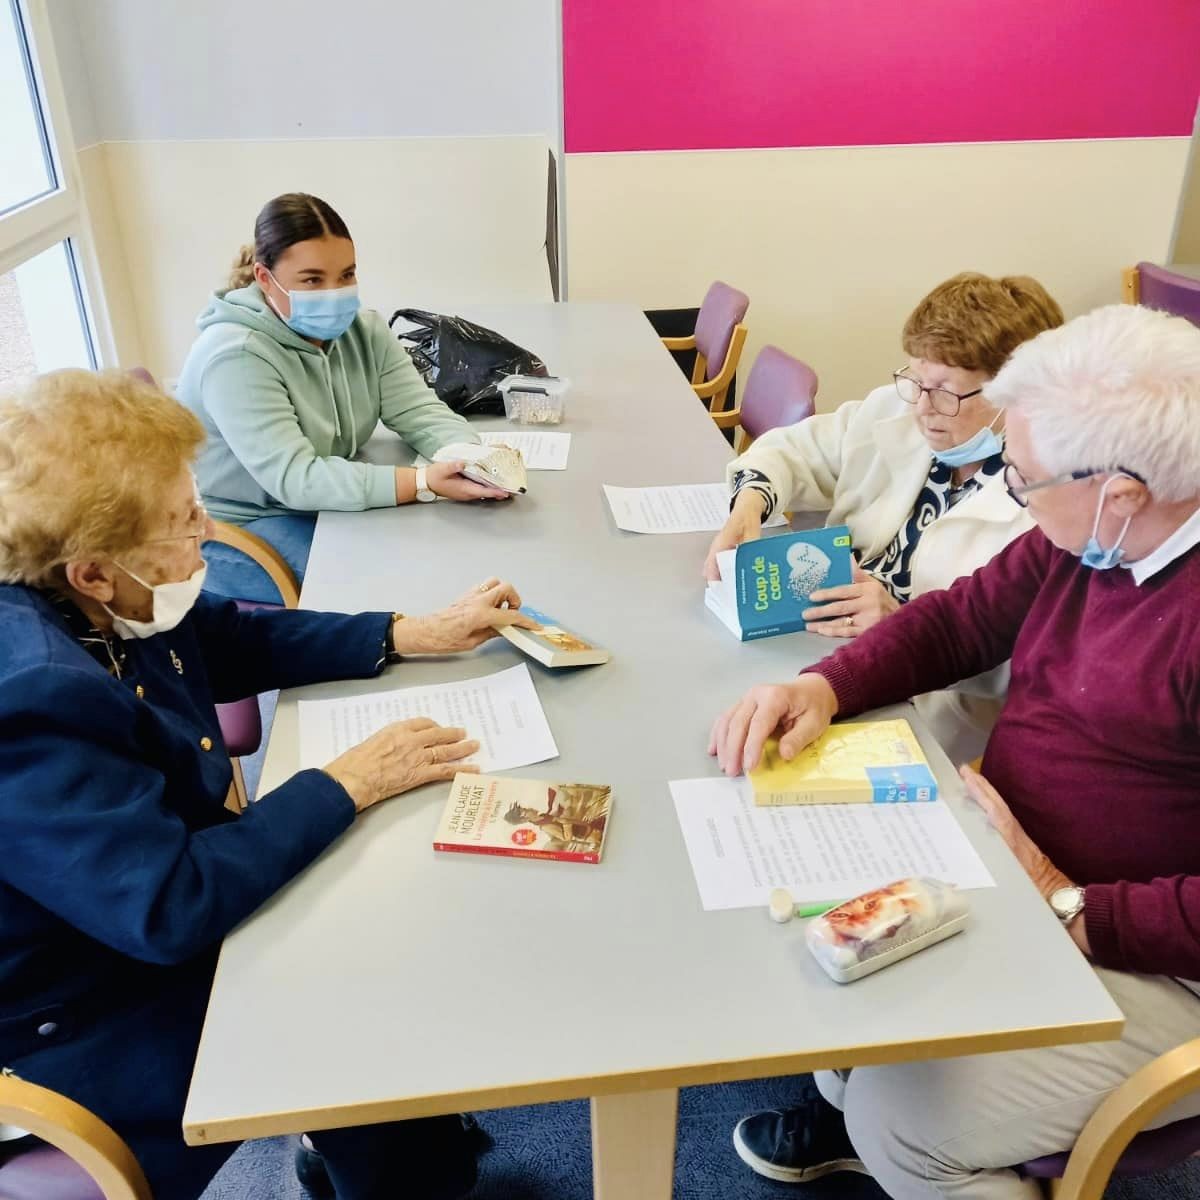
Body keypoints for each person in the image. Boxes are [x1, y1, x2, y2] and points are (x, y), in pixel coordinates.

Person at [0, 369, 541, 1200]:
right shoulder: (32, 698)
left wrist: (407, 632)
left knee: (360, 912)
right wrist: (347, 781)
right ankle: (397, 1168)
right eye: (185, 522)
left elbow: (222, 634)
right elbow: (169, 907)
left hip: (127, 909)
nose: (207, 531)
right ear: (94, 574)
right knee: (355, 974)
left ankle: (397, 1154)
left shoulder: (95, 597)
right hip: (78, 1013)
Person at [709, 304, 1200, 1199]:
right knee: (823, 972)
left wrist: (1067, 903)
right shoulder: (1090, 537)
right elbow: (961, 619)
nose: (1012, 492)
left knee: (906, 1122)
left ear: (1121, 491)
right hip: (1014, 871)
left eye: (1025, 478)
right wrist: (821, 686)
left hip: (1154, 949)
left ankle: (904, 1151)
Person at [704, 273, 1064, 763]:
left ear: (1016, 396)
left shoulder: (1049, 506)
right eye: (916, 379)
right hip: (818, 653)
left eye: (946, 391)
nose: (921, 406)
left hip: (922, 713)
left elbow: (1020, 662)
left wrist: (898, 617)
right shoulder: (900, 412)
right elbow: (795, 450)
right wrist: (750, 504)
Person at [177, 192, 508, 603]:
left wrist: (470, 459)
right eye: (313, 280)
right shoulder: (235, 356)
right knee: (391, 589)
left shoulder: (363, 329)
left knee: (442, 556)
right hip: (242, 527)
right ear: (265, 279)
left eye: (347, 275)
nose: (335, 293)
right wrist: (424, 482)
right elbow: (297, 480)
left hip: (319, 506)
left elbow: (418, 410)